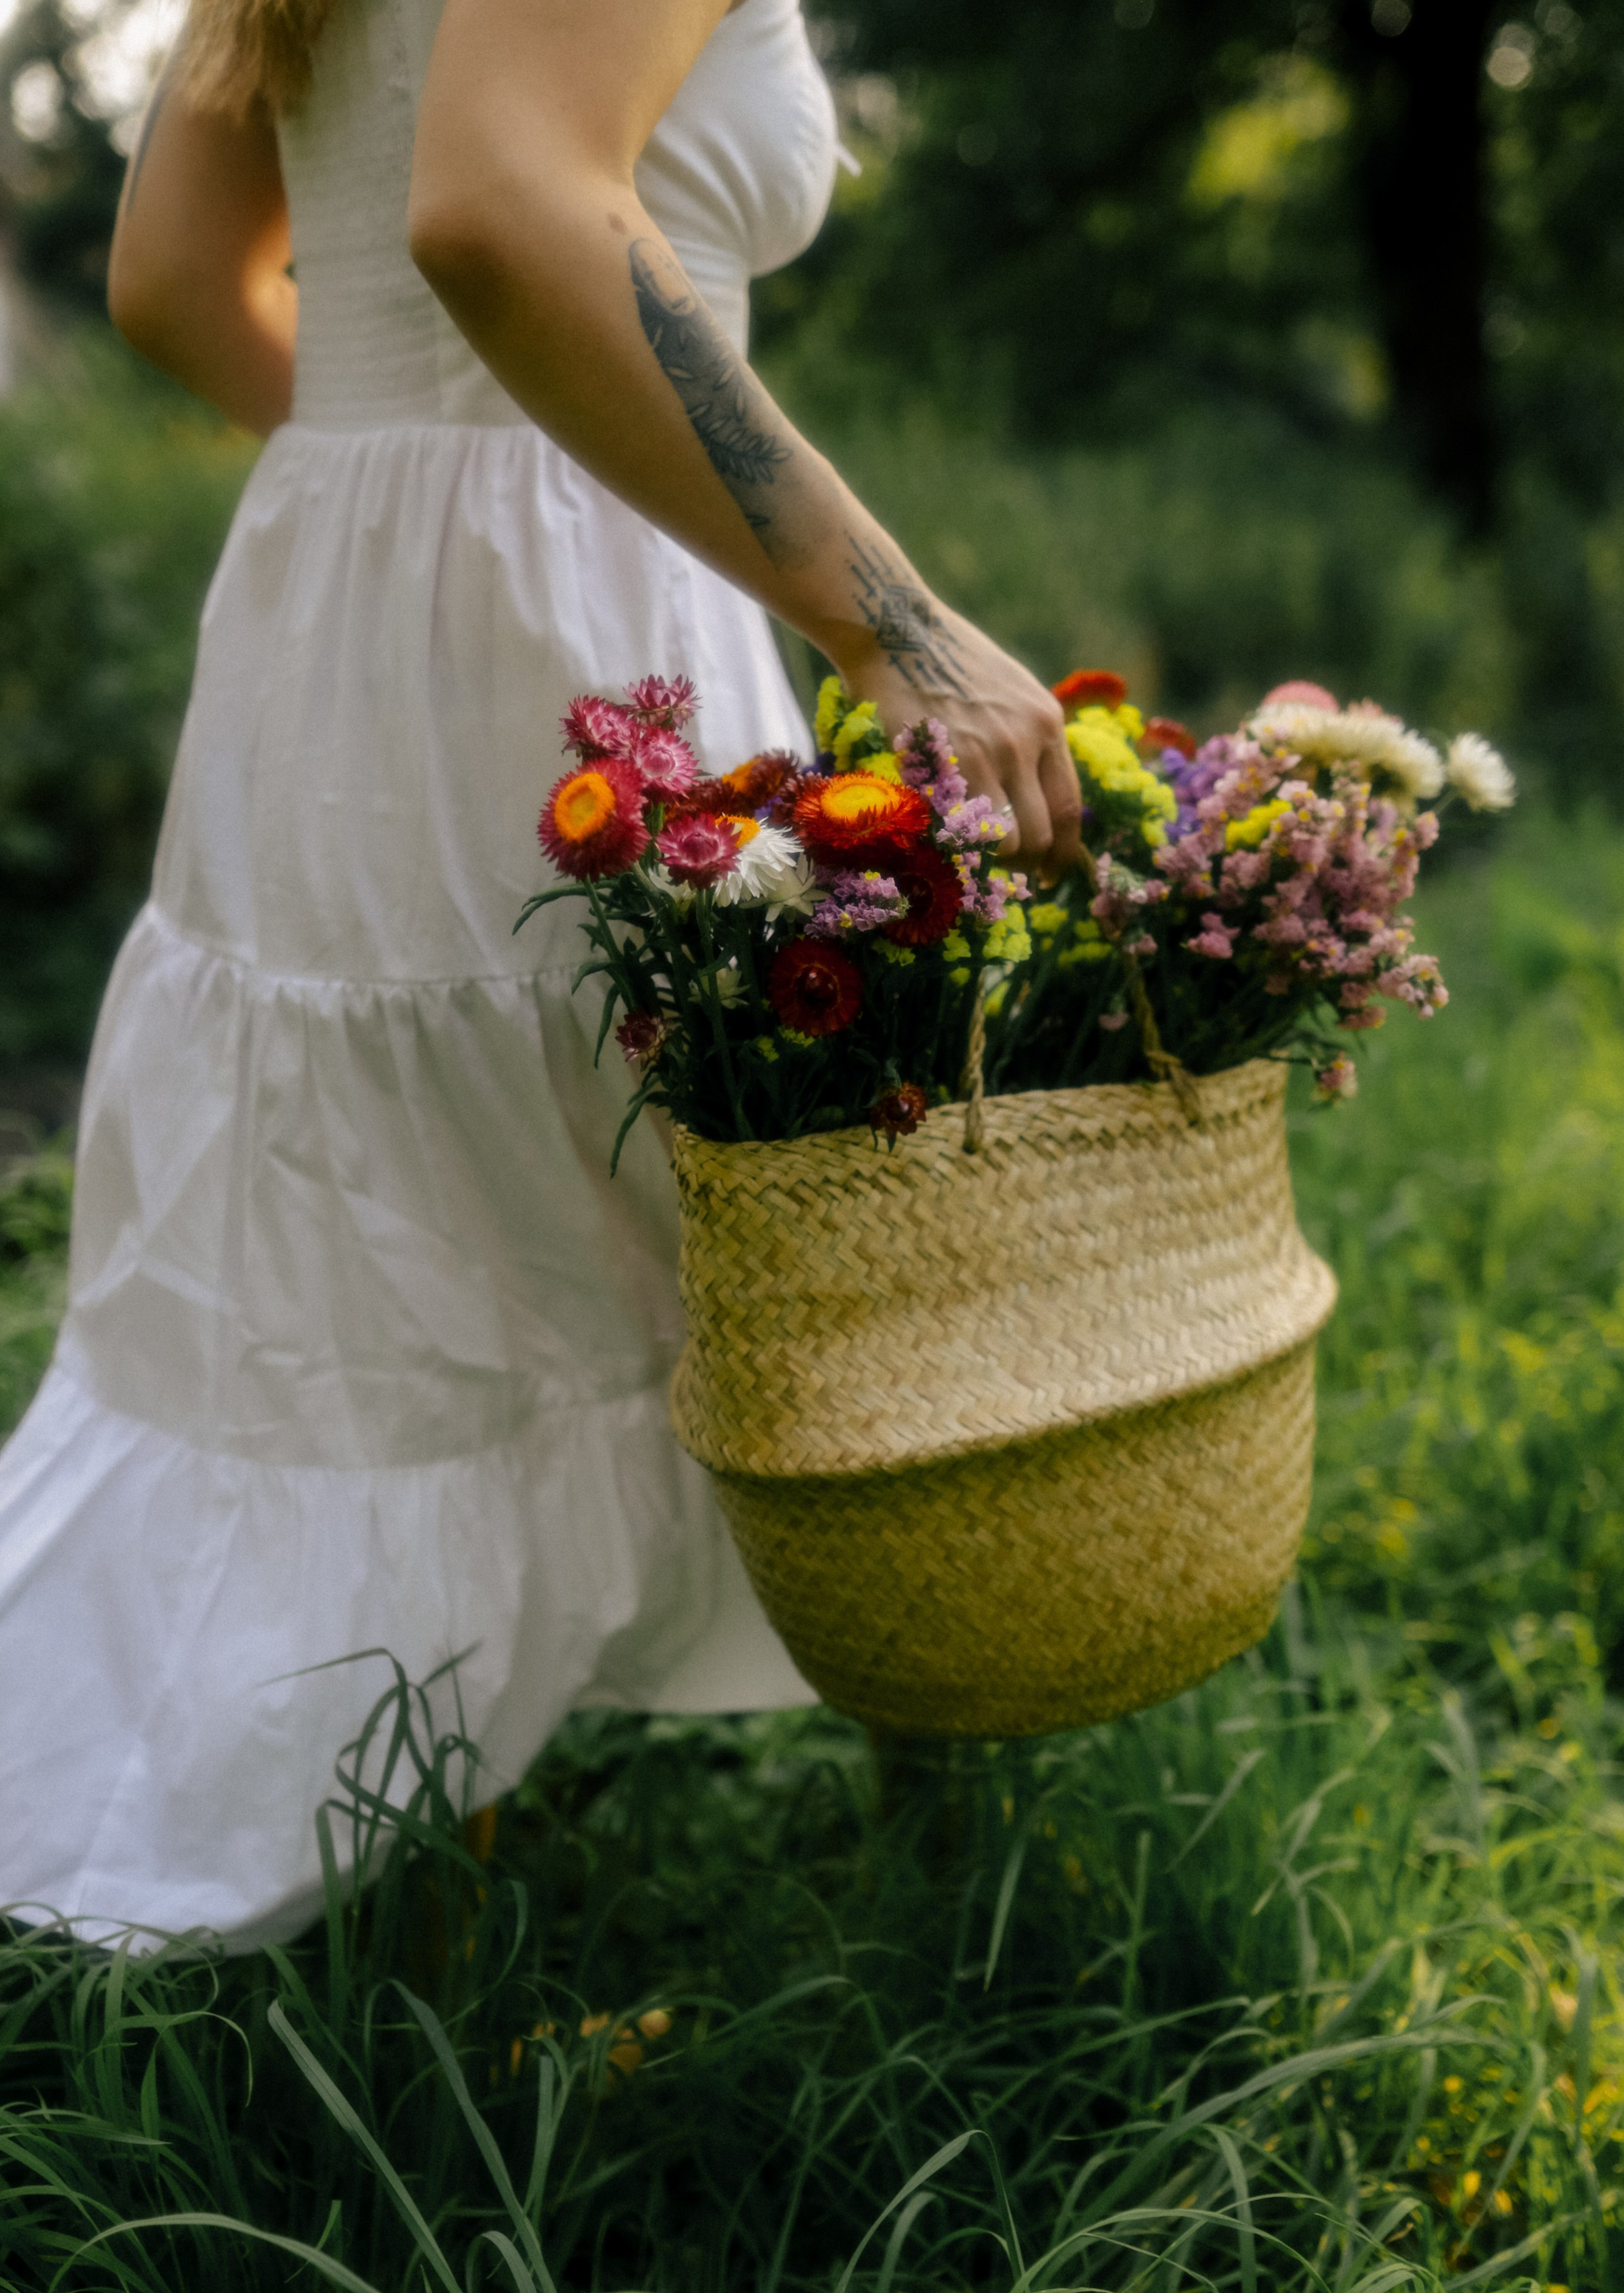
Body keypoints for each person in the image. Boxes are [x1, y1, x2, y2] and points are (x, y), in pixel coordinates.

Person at [0, 0, 1083, 1950]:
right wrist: (902, 629)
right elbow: (504, 208)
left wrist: (396, 476)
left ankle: (401, 1843)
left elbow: (171, 278)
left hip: (350, 606)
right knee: (665, 1207)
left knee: (393, 1233)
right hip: (585, 613)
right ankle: (955, 1847)